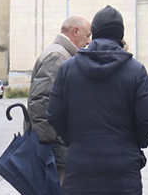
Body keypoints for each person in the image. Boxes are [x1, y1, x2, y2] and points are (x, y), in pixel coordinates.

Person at [47, 5, 148, 195]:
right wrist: (134, 144)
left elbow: (54, 115)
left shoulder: (68, 69)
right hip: (123, 168)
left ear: (95, 34)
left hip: (80, 165)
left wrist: (73, 140)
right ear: (119, 35)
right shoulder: (136, 70)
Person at [27, 14, 91, 184]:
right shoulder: (58, 57)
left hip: (56, 145)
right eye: (87, 36)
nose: (88, 42)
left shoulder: (61, 54)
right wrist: (49, 145)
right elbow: (41, 102)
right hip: (55, 147)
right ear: (75, 32)